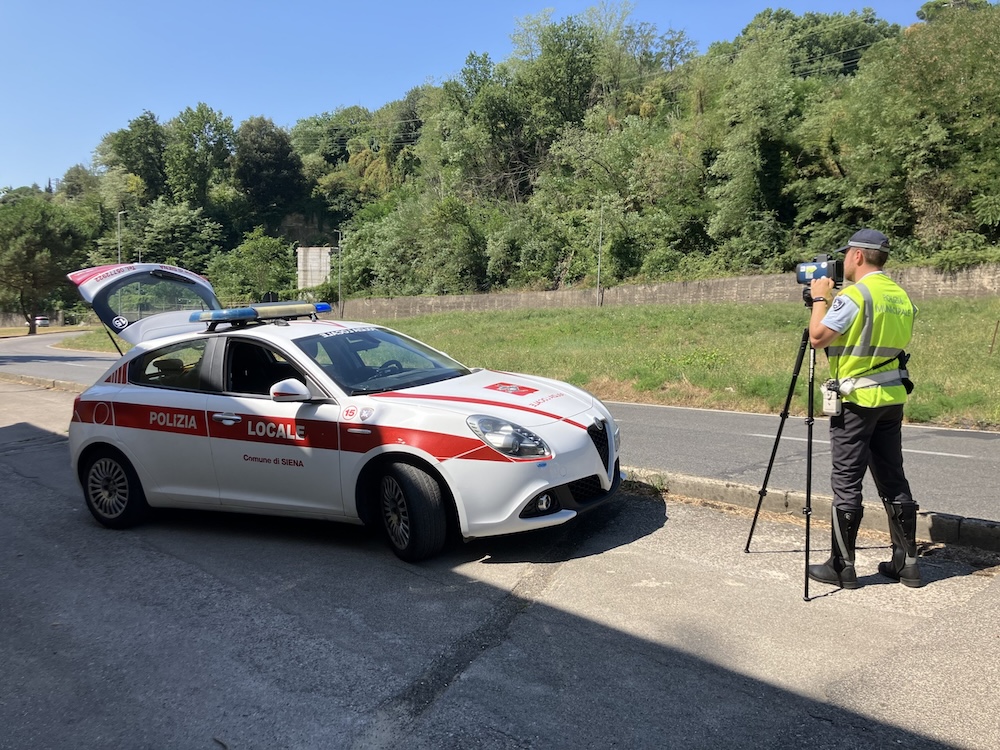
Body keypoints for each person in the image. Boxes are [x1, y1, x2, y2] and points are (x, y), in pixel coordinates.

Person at [807, 228, 922, 589]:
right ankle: (908, 564)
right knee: (893, 478)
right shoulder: (900, 295)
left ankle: (842, 566)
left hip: (856, 401)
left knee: (846, 481)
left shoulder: (855, 296)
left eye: (846, 255)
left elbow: (818, 337)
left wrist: (820, 300)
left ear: (857, 255)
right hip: (891, 398)